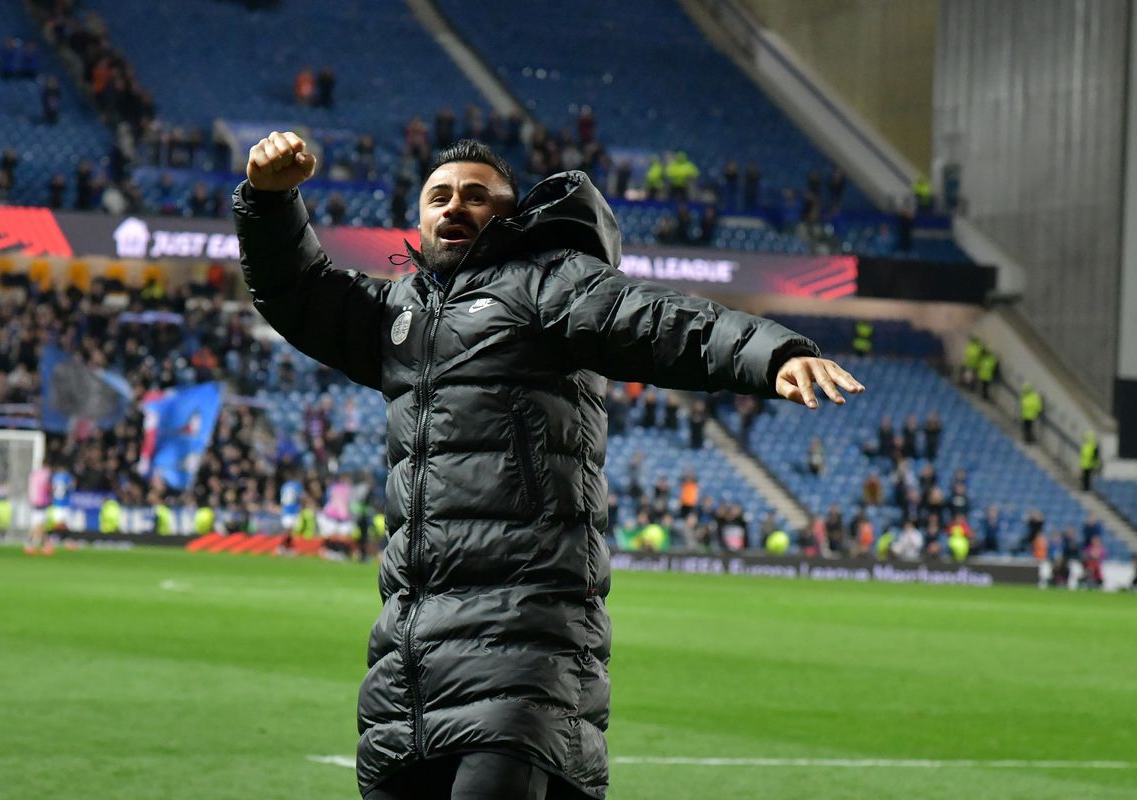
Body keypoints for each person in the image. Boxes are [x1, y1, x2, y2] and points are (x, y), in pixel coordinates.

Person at [234, 131, 863, 800]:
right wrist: (270, 204)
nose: (455, 207)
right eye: (439, 196)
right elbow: (297, 290)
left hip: (526, 636)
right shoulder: (398, 314)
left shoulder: (548, 285)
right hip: (410, 654)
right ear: (417, 218)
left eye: (477, 196)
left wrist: (771, 353)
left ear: (511, 215)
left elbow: (657, 320)